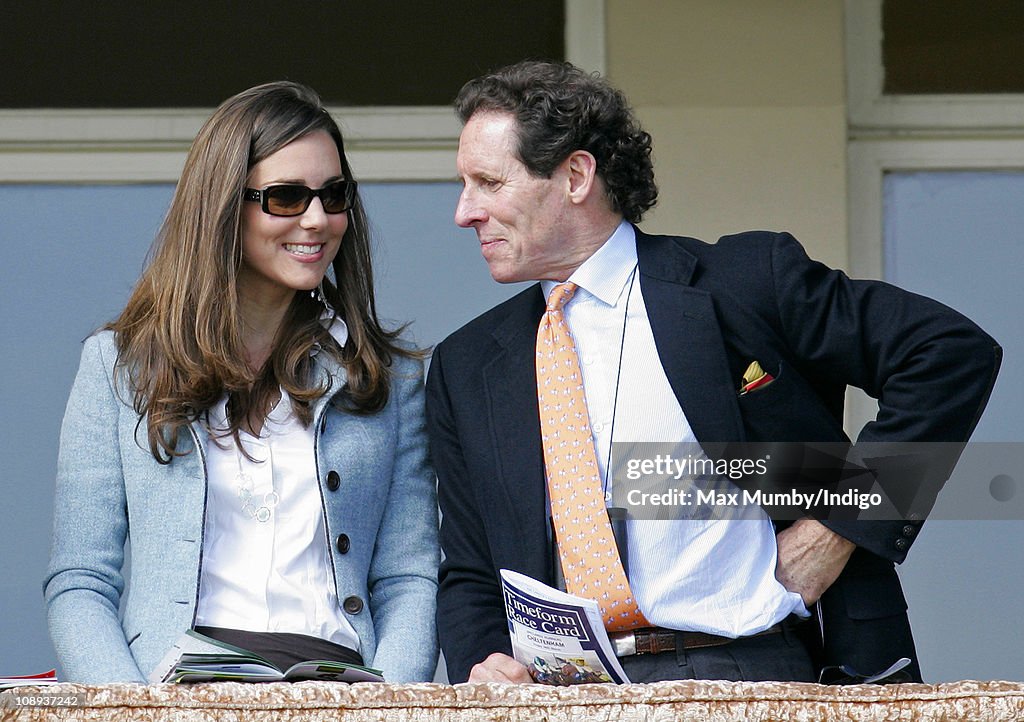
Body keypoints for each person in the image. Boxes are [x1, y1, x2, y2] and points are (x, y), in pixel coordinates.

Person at [426, 60, 1001, 684]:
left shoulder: (744, 285)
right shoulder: (467, 364)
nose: (464, 212)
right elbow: (471, 569)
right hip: (559, 692)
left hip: (747, 669)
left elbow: (949, 352)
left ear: (575, 175)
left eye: (488, 182)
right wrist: (480, 674)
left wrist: (839, 526)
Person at [44, 82, 439, 684]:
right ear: (224, 205)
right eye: (284, 197)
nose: (317, 219)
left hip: (343, 689)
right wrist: (129, 707)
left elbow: (409, 577)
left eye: (334, 195)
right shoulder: (118, 366)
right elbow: (81, 580)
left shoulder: (388, 379)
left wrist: (389, 705)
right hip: (178, 688)